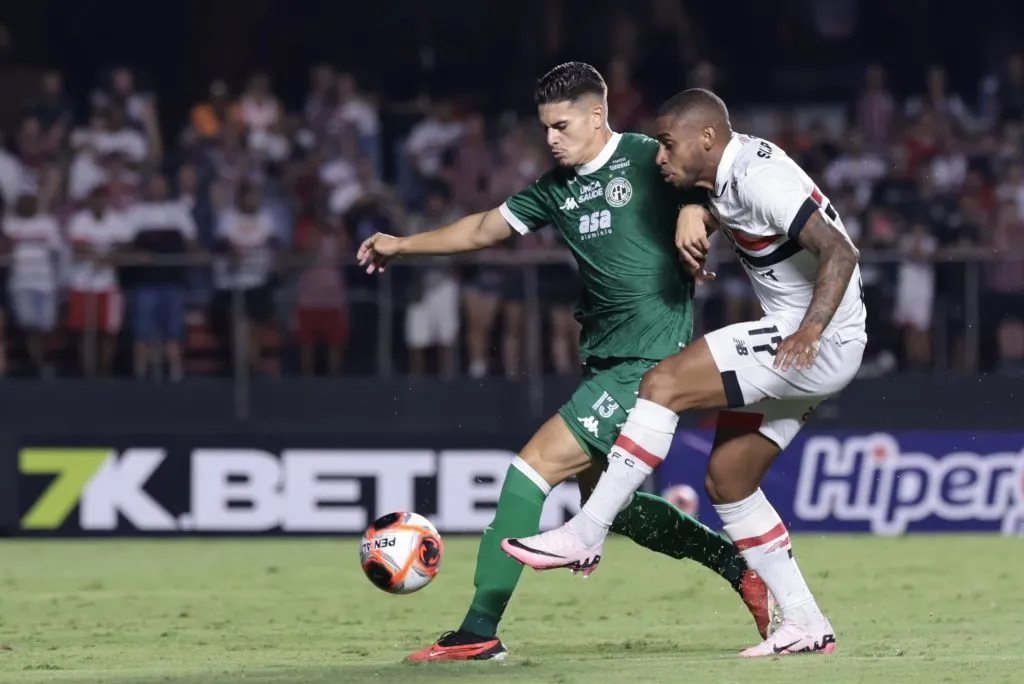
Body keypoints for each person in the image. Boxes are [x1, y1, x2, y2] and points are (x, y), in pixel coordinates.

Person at [358, 64, 776, 663]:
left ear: (597, 115)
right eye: (545, 128)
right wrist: (402, 245)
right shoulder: (557, 187)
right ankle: (738, 567)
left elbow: (719, 181)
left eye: (561, 125)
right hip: (606, 361)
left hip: (649, 364)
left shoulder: (649, 157)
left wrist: (697, 211)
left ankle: (479, 630)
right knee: (615, 505)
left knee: (529, 470)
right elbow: (482, 228)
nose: (551, 138)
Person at [504, 88, 867, 657]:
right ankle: (804, 620)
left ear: (707, 139)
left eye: (668, 145)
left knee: (663, 383)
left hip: (813, 341)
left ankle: (587, 530)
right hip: (819, 344)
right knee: (728, 480)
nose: (659, 157)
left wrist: (809, 331)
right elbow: (732, 206)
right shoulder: (731, 175)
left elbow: (841, 251)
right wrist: (698, 211)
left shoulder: (758, 177)